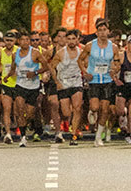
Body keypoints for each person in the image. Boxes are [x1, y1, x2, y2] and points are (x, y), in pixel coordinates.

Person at [80, 18, 118, 146]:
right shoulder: (90, 45)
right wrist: (85, 72)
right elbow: (80, 60)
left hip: (107, 80)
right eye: (100, 30)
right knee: (95, 107)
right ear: (96, 32)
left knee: (105, 109)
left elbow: (117, 62)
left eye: (104, 30)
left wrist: (114, 69)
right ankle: (92, 111)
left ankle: (98, 137)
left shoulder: (113, 47)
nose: (102, 33)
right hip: (94, 80)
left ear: (108, 31)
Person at [47, 28, 85, 145]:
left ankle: (73, 135)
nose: (71, 41)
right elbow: (52, 67)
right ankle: (69, 125)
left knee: (77, 108)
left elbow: (87, 62)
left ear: (77, 39)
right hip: (64, 83)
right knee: (66, 112)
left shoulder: (82, 51)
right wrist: (57, 81)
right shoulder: (60, 53)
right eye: (69, 39)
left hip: (76, 82)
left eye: (73, 38)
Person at [8, 30, 44, 147]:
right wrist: (7, 76)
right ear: (19, 41)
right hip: (20, 85)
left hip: (33, 86)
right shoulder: (15, 54)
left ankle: (27, 125)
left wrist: (35, 72)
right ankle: (23, 137)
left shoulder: (35, 53)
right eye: (23, 40)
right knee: (19, 109)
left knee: (29, 114)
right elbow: (13, 67)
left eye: (27, 40)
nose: (25, 42)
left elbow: (47, 66)